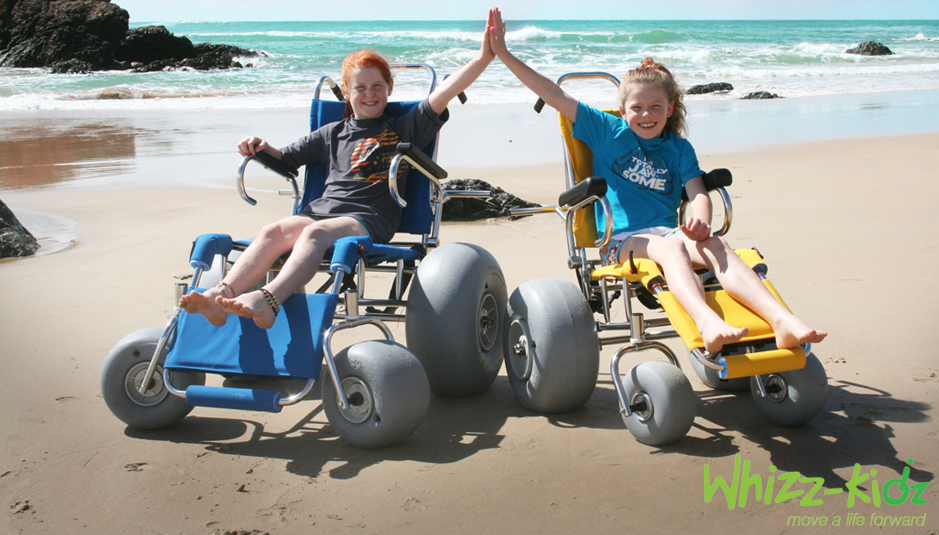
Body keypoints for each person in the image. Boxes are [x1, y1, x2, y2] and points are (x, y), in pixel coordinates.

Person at [487, 8, 826, 353]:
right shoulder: (607, 131)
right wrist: (504, 54)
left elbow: (698, 193)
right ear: (622, 110)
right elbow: (554, 95)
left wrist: (702, 224)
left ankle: (781, 320)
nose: (646, 115)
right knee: (672, 247)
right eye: (636, 108)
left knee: (716, 246)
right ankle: (708, 323)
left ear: (670, 108)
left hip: (671, 233)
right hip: (621, 241)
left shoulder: (678, 148)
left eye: (655, 106)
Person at [180, 16, 496, 330]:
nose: (370, 94)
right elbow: (287, 158)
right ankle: (219, 297)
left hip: (368, 219)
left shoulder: (403, 127)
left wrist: (483, 57)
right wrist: (260, 147)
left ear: (389, 88)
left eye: (377, 87)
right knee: (272, 232)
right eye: (360, 88)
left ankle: (269, 300)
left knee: (313, 234)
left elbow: (446, 91)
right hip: (320, 212)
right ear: (346, 91)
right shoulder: (331, 133)